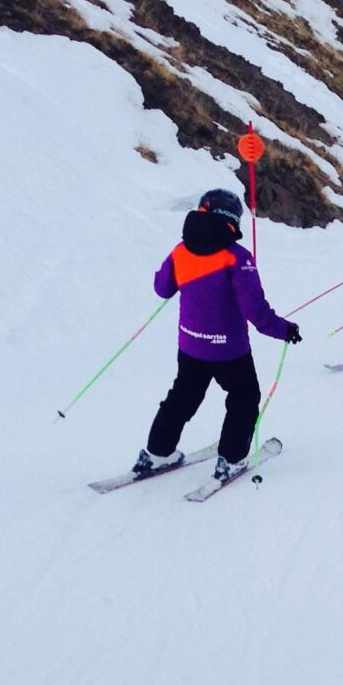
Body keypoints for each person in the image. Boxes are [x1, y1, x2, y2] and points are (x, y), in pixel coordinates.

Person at [133, 189, 301, 482]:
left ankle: (158, 452)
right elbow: (256, 312)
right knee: (244, 398)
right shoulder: (237, 257)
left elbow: (162, 288)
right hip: (229, 351)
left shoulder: (181, 250)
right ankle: (232, 459)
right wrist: (284, 329)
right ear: (233, 219)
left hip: (190, 345)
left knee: (183, 396)